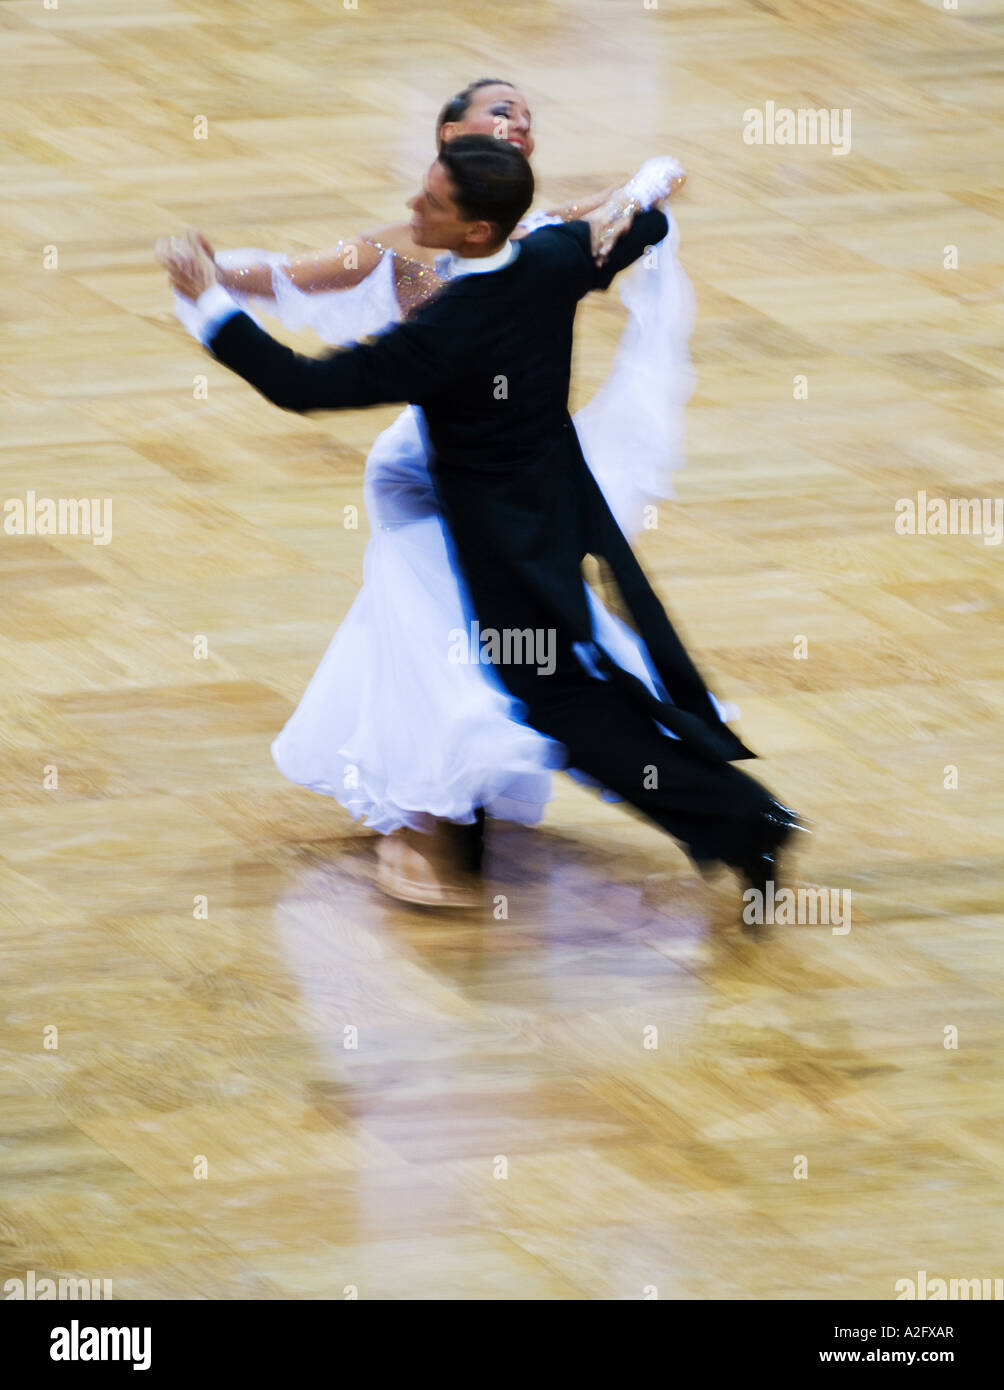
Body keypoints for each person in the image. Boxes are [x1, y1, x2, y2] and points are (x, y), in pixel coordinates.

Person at [158, 135, 802, 901]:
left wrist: (207, 304)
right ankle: (739, 821)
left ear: (474, 231)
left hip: (505, 541)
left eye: (430, 202)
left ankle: (747, 819)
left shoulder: (452, 328)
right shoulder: (555, 258)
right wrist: (640, 192)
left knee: (558, 698)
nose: (411, 207)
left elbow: (303, 385)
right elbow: (644, 225)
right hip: (556, 505)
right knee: (570, 688)